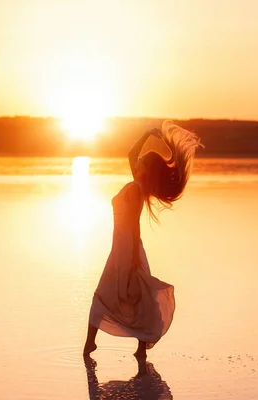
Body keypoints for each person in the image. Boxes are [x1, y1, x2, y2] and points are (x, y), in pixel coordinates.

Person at [83, 120, 202, 357]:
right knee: (107, 294)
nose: (137, 161)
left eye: (142, 161)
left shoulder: (137, 190)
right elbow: (131, 152)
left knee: (131, 295)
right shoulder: (136, 182)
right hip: (119, 247)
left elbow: (135, 225)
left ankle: (128, 347)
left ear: (146, 169)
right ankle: (99, 344)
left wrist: (134, 259)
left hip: (127, 248)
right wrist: (147, 134)